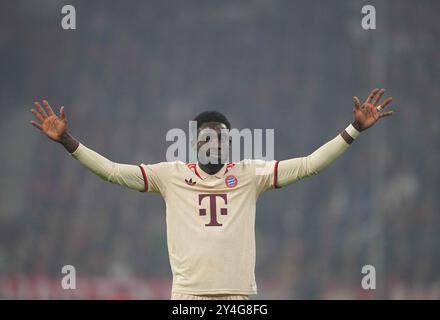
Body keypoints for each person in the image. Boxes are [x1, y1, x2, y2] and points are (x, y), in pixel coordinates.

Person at [30, 88, 394, 300]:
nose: (214, 143)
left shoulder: (250, 174)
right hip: (188, 299)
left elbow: (310, 164)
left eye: (220, 137)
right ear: (194, 144)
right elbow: (111, 171)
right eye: (206, 137)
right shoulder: (170, 176)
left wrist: (354, 130)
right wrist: (67, 141)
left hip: (239, 297)